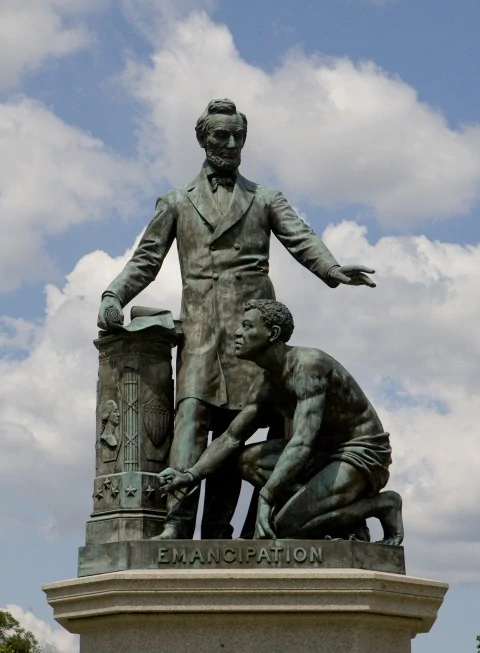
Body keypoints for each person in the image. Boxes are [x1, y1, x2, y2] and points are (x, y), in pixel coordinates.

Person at [98, 98, 377, 540]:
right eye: (220, 136)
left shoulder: (264, 198)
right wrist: (114, 294)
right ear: (203, 139)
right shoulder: (176, 202)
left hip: (253, 337)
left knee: (234, 434)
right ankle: (177, 523)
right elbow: (146, 258)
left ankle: (217, 532)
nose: (230, 143)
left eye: (237, 136)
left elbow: (300, 236)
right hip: (202, 334)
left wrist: (331, 268)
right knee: (189, 421)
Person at [158, 300, 403, 545]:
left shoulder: (308, 365)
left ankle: (381, 505)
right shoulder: (265, 382)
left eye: (247, 326)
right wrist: (190, 475)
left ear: (272, 333)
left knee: (287, 527)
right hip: (319, 456)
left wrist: (267, 496)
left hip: (360, 454)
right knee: (246, 460)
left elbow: (302, 441)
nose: (237, 333)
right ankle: (330, 512)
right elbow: (231, 438)